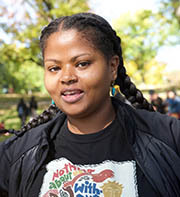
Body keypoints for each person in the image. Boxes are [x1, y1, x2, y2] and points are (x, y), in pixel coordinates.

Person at [0, 12, 180, 197]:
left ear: (112, 67)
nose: (67, 77)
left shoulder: (170, 137)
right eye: (54, 68)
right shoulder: (17, 153)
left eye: (82, 64)